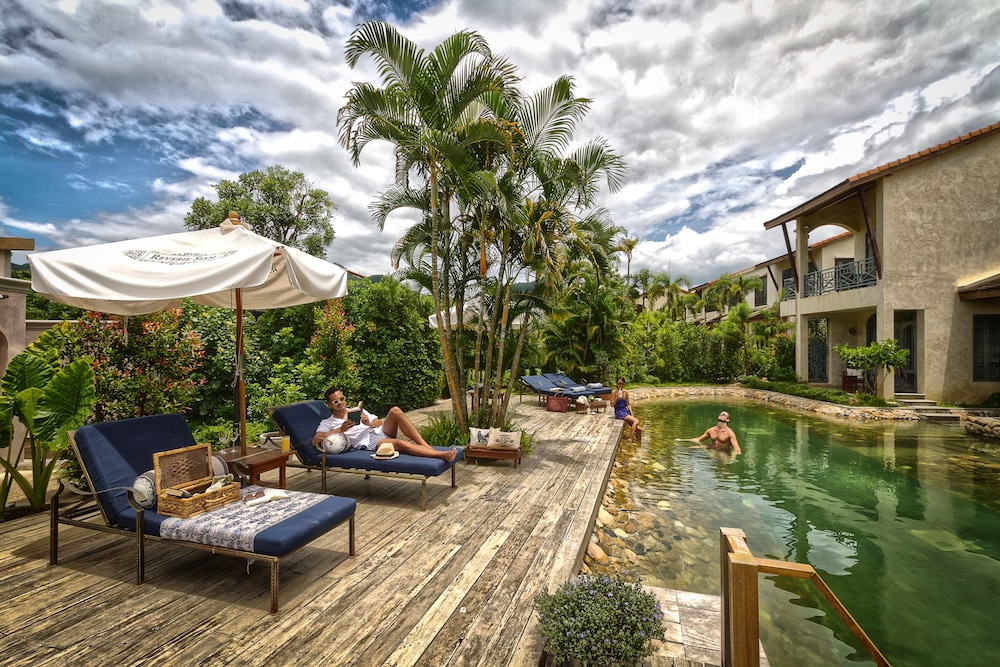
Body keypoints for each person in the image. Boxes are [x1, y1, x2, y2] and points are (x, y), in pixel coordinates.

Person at [312, 387, 457, 461]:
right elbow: (316, 440)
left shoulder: (356, 411)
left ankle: (425, 446)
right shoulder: (328, 422)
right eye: (335, 401)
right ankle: (439, 455)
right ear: (329, 404)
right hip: (370, 442)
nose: (340, 403)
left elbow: (379, 422)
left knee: (395, 410)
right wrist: (340, 429)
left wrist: (368, 423)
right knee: (401, 443)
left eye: (342, 399)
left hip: (379, 431)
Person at [610, 376, 640, 442]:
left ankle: (638, 443)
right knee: (636, 421)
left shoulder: (626, 392)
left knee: (638, 428)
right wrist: (616, 398)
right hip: (619, 412)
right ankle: (630, 439)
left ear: (624, 384)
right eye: (619, 384)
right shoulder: (614, 392)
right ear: (616, 384)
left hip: (625, 411)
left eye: (622, 384)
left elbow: (628, 404)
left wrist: (632, 414)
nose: (620, 385)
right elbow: (611, 405)